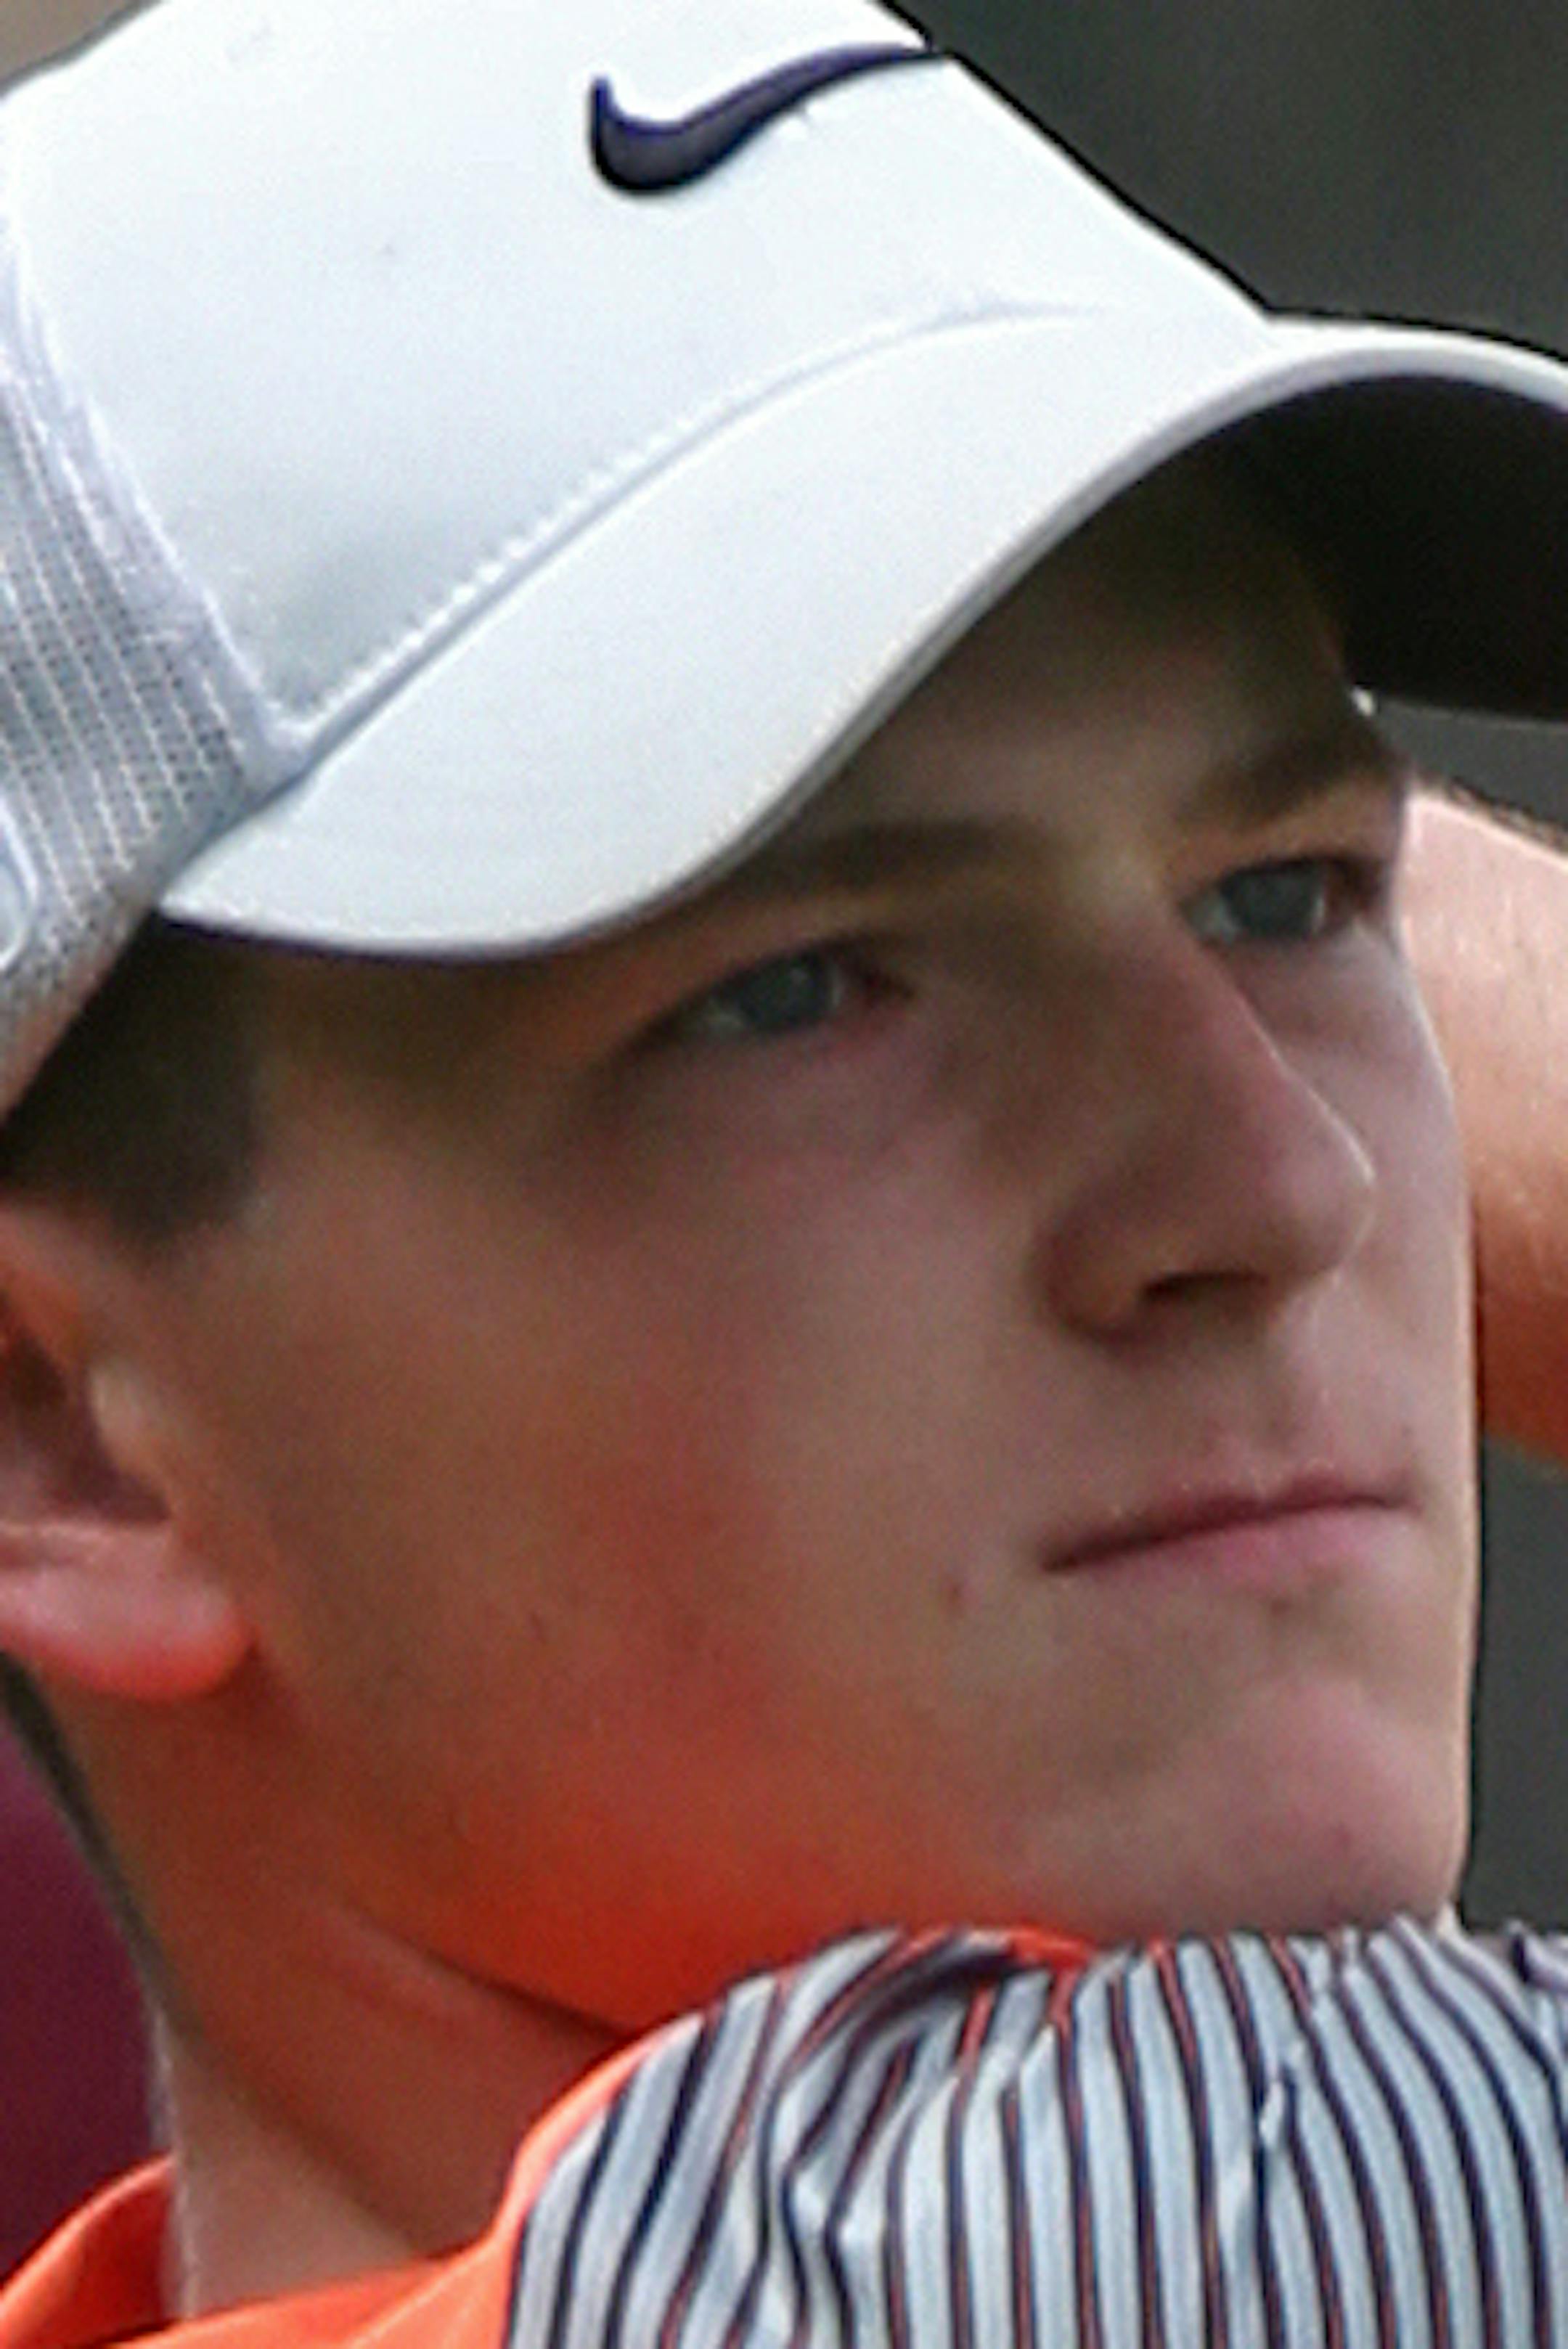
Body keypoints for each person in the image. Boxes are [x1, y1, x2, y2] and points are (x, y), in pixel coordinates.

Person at [5, 0, 1568, 2338]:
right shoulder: (1010, 2262)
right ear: (66, 1433)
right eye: (797, 988)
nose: (1281, 1181)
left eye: (1286, 895)